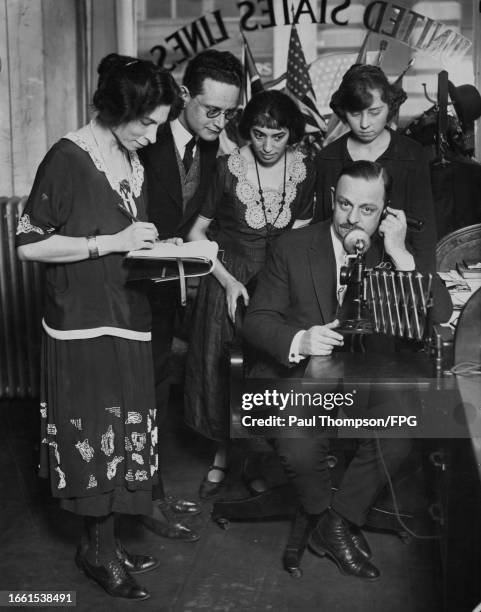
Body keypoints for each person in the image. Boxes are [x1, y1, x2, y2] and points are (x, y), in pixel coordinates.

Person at [16, 54, 181, 601]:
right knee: (94, 437)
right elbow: (30, 243)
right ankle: (98, 549)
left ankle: (106, 540)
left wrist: (160, 247)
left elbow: (124, 232)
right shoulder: (67, 157)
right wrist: (107, 243)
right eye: (146, 122)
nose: (153, 135)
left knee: (125, 432)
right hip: (82, 325)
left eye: (158, 123)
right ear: (114, 109)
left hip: (128, 314)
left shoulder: (131, 159)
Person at [243, 161, 452, 580]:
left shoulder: (396, 248)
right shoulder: (293, 245)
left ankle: (333, 521)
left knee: (402, 429)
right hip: (302, 375)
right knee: (298, 443)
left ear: (386, 212)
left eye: (367, 210)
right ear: (331, 200)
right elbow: (257, 319)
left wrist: (400, 256)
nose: (352, 219)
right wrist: (300, 339)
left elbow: (441, 313)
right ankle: (328, 518)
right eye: (344, 205)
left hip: (367, 379)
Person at [184, 90, 316, 499]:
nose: (268, 146)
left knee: (273, 375)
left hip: (281, 284)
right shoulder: (227, 168)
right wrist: (227, 281)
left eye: (277, 136)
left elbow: (303, 236)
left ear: (291, 134)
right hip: (231, 279)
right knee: (227, 373)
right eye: (259, 135)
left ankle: (260, 459)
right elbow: (195, 234)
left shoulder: (306, 169)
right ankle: (225, 457)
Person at [138, 49, 243, 538]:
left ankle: (152, 495)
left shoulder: (211, 148)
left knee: (156, 392)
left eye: (229, 113)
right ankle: (141, 502)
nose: (221, 122)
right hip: (126, 290)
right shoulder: (142, 136)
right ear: (184, 96)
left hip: (166, 295)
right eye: (211, 110)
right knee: (135, 397)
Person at [314, 63, 437, 274]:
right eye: (355, 113)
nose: (364, 124)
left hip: (396, 269)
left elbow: (424, 232)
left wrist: (423, 279)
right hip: (338, 270)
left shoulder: (412, 155)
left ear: (390, 107)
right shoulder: (327, 158)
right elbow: (320, 229)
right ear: (343, 112)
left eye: (374, 112)